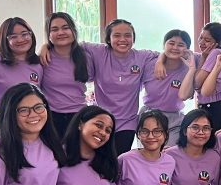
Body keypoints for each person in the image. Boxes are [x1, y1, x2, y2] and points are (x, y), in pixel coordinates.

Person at [46, 19, 159, 155]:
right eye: (117, 35)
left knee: (118, 160)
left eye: (127, 35)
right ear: (109, 39)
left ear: (133, 39)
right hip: (101, 119)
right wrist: (46, 47)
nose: (122, 39)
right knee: (96, 159)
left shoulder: (142, 56)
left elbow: (166, 54)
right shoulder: (99, 51)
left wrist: (162, 61)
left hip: (127, 123)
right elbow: (74, 44)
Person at [41, 12, 93, 137]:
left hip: (79, 115)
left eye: (65, 28)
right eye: (54, 29)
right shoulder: (43, 59)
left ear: (74, 31)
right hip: (50, 116)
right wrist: (44, 46)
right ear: (48, 35)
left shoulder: (86, 56)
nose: (61, 32)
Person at [142, 29, 196, 142]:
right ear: (164, 45)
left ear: (187, 49)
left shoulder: (188, 68)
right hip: (148, 115)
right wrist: (159, 61)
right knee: (149, 151)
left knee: (171, 151)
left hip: (174, 120)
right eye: (171, 43)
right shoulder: (150, 63)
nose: (175, 48)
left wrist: (191, 69)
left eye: (181, 45)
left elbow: (184, 96)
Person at [0, 17, 44, 111]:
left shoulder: (38, 64)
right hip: (1, 116)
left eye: (25, 34)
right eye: (13, 37)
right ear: (4, 40)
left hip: (31, 115)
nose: (20, 40)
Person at [195, 22, 221, 131]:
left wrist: (203, 57)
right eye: (201, 37)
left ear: (218, 43)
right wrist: (203, 57)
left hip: (214, 109)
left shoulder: (216, 52)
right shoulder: (211, 54)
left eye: (207, 40)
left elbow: (196, 83)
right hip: (212, 107)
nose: (201, 42)